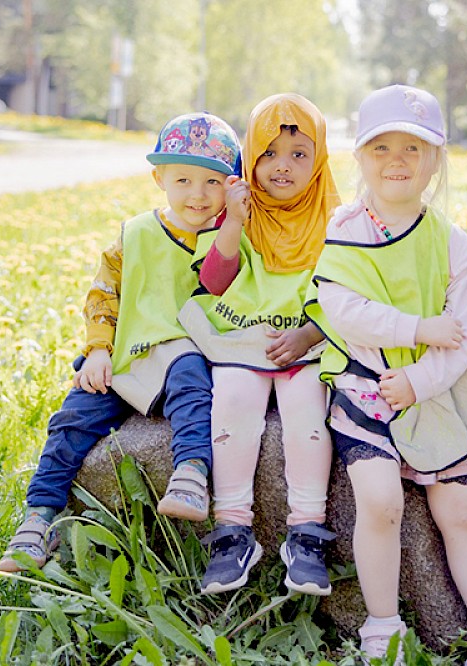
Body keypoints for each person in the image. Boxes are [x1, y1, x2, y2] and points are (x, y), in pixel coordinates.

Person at [303, 85, 467, 665]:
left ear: (435, 159)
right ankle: (382, 625)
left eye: (414, 148)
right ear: (361, 157)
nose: (398, 160)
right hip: (366, 382)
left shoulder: (452, 245)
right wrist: (417, 328)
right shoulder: (345, 230)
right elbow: (342, 311)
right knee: (380, 501)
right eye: (382, 147)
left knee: (461, 511)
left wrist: (419, 381)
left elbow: (462, 335)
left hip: (435, 387)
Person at [0, 112, 242, 574]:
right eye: (183, 179)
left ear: (230, 187)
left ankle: (191, 472)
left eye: (212, 182)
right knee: (71, 419)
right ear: (159, 178)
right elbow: (103, 294)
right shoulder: (137, 233)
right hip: (127, 351)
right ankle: (39, 517)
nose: (197, 193)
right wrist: (97, 350)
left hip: (183, 351)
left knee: (193, 390)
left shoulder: (228, 239)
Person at [177, 93, 340, 596]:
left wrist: (310, 334)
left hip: (306, 339)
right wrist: (233, 222)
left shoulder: (336, 218)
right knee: (231, 398)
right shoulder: (241, 212)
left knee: (307, 409)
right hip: (244, 335)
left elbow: (351, 290)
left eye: (298, 154)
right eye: (268, 153)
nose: (282, 166)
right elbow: (214, 282)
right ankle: (232, 531)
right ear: (250, 157)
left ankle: (307, 533)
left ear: (319, 160)